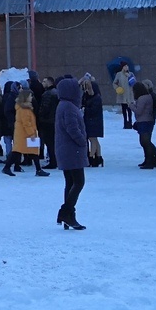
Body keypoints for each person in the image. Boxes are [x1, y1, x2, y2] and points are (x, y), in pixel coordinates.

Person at [54, 76, 88, 228]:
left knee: (70, 182)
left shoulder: (63, 105)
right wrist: (82, 141)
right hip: (72, 150)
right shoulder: (68, 107)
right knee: (79, 182)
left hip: (65, 149)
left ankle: (69, 216)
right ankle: (66, 212)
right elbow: (72, 128)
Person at [5, 86, 48, 177]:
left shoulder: (25, 108)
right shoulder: (24, 109)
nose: (31, 98)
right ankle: (7, 167)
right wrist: (31, 133)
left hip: (24, 134)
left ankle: (38, 169)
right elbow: (26, 123)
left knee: (30, 151)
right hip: (25, 134)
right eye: (30, 96)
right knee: (18, 152)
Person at [132, 82, 156, 167]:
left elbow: (138, 111)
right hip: (147, 121)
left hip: (144, 121)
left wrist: (131, 105)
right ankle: (152, 159)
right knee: (146, 142)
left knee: (145, 142)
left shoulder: (142, 98)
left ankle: (150, 160)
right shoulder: (148, 96)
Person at [81, 74, 104, 167]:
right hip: (92, 120)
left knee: (92, 139)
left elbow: (93, 110)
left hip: (93, 121)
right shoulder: (88, 96)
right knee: (94, 139)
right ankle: (98, 157)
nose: (86, 90)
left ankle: (91, 158)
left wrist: (85, 109)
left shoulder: (96, 98)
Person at [113, 62, 134, 129]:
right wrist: (117, 88)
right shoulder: (118, 74)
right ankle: (125, 123)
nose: (126, 67)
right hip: (122, 94)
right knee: (124, 110)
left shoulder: (131, 74)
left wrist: (129, 76)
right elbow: (115, 83)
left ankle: (130, 122)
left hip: (130, 94)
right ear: (122, 67)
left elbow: (134, 83)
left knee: (130, 109)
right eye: (125, 66)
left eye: (127, 66)